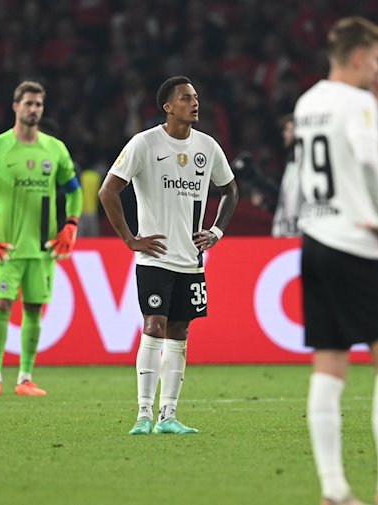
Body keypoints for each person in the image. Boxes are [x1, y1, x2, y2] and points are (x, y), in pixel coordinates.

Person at [294, 17, 378, 505]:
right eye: (375, 59)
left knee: (329, 364)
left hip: (314, 240)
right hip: (354, 240)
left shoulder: (308, 102)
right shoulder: (357, 102)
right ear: (357, 58)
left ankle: (334, 490)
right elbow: (368, 161)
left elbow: (341, 154)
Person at [98, 75, 239, 435]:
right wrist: (131, 239)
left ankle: (168, 416)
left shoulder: (207, 147)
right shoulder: (144, 144)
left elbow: (230, 190)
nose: (195, 103)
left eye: (196, 97)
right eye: (186, 98)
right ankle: (144, 413)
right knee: (154, 326)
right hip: (155, 257)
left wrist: (217, 231)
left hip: (191, 260)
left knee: (180, 330)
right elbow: (108, 192)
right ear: (168, 107)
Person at [0, 81, 83, 398]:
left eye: (39, 104)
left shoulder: (54, 149)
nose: (34, 109)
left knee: (33, 310)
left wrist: (71, 225)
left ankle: (25, 378)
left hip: (43, 249)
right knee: (1, 305)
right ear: (15, 106)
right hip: (7, 248)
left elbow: (74, 191)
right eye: (28, 103)